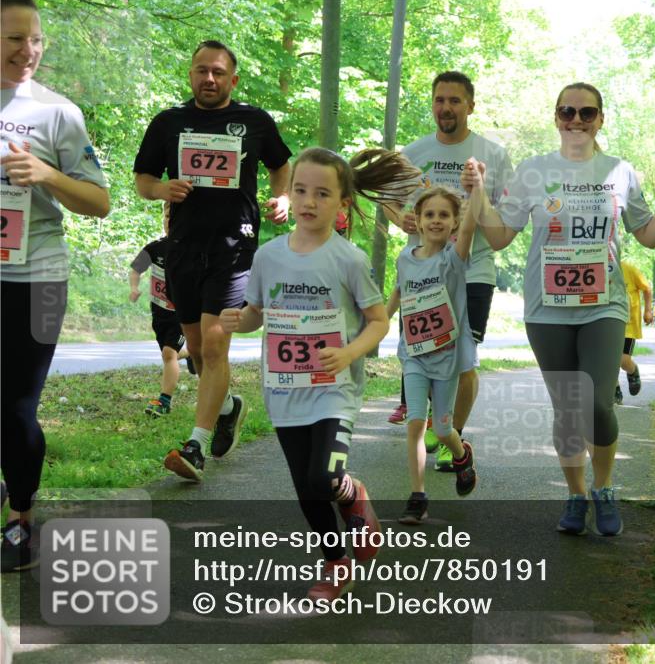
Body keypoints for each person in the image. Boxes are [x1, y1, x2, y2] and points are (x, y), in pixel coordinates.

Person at [475, 82, 655, 536]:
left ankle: (604, 487)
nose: (576, 120)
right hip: (547, 309)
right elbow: (499, 237)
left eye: (586, 112)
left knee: (596, 401)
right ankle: (576, 494)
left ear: (600, 119)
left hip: (604, 304)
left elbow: (647, 235)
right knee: (567, 406)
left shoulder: (619, 171)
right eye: (567, 111)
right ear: (556, 117)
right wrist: (478, 193)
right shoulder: (534, 171)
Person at [220, 146, 419, 599]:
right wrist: (239, 320)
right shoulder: (268, 256)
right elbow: (256, 314)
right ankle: (335, 563)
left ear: (342, 203)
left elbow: (378, 321)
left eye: (322, 194)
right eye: (301, 190)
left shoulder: (349, 259)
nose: (309, 202)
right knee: (306, 489)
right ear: (289, 194)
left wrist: (348, 354)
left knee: (324, 479)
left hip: (335, 391)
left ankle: (352, 494)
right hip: (285, 390)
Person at [133, 40, 292, 481]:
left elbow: (281, 164)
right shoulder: (168, 122)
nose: (209, 78)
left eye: (218, 72)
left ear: (232, 79)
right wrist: (161, 189)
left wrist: (282, 196)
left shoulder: (254, 121)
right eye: (201, 70)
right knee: (198, 352)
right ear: (190, 74)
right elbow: (143, 178)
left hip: (234, 249)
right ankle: (227, 407)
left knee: (216, 344)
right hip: (183, 248)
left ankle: (195, 446)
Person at [0, 0, 110, 572]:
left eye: (36, 38)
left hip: (38, 278)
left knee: (16, 406)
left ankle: (21, 519)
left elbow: (99, 201)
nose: (29, 50)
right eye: (15, 38)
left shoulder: (57, 113)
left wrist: (46, 174)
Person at [384, 71, 513, 473]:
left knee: (465, 359)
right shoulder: (413, 153)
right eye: (440, 100)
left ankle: (452, 434)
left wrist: (478, 193)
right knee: (422, 350)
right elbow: (386, 198)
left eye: (455, 100)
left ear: (470, 106)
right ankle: (433, 420)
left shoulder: (493, 155)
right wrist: (401, 218)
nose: (446, 107)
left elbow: (502, 227)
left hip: (473, 269)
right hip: (422, 273)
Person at [386, 185, 480, 523]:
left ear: (454, 222)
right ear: (418, 220)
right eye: (429, 214)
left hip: (446, 357)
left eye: (444, 215)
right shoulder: (405, 258)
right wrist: (380, 319)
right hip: (414, 354)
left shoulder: (453, 259)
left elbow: (470, 228)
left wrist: (478, 187)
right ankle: (417, 497)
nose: (436, 220)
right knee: (415, 422)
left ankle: (461, 454)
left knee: (441, 430)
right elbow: (399, 290)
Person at [128, 202, 194, 416]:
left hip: (182, 314)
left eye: (175, 217)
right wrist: (134, 288)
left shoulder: (192, 248)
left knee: (168, 354)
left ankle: (164, 402)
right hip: (159, 313)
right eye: (167, 216)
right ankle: (191, 353)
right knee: (169, 354)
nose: (170, 221)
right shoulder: (155, 247)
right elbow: (136, 269)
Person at [616, 260, 652, 405]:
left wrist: (648, 311)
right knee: (608, 360)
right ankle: (614, 390)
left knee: (623, 360)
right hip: (607, 320)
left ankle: (632, 370)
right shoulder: (597, 266)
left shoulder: (629, 269)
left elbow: (647, 289)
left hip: (628, 324)